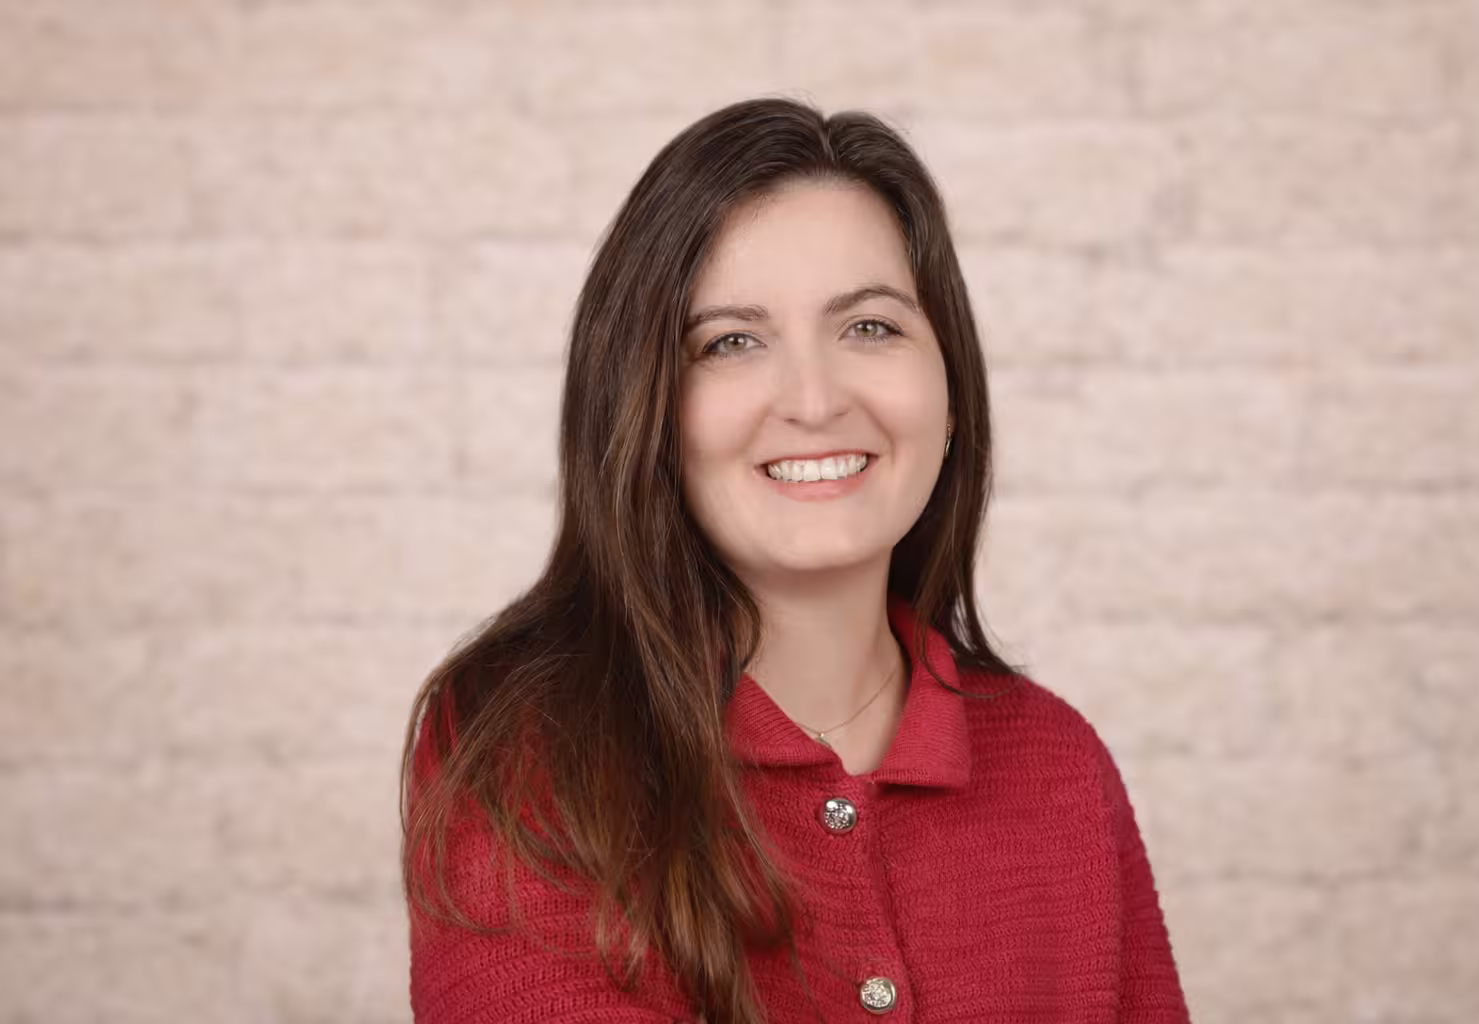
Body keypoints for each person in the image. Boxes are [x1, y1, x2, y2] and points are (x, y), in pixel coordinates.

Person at [400, 96, 1190, 1024]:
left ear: (951, 392)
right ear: (643, 408)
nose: (814, 400)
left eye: (870, 327)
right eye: (731, 342)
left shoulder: (1057, 764)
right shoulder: (523, 746)